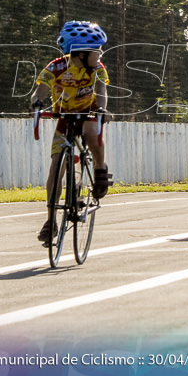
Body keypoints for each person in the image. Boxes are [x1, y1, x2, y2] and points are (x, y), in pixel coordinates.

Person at [30, 21, 111, 247]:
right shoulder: (56, 67)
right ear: (82, 53)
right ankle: (50, 221)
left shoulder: (97, 69)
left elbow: (101, 90)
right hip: (64, 117)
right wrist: (37, 102)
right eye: (97, 51)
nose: (101, 54)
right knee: (56, 166)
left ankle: (100, 169)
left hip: (88, 112)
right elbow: (41, 90)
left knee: (91, 131)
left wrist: (102, 109)